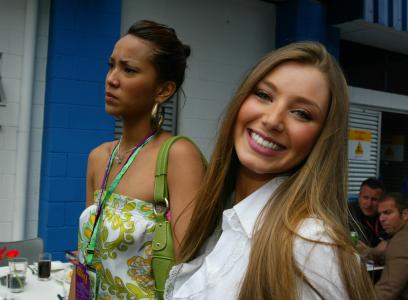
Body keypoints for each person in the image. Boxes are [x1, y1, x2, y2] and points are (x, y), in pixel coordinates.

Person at [164, 42, 375, 300]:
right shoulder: (221, 216)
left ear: (322, 138)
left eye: (301, 113)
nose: (272, 120)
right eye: (264, 95)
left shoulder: (310, 245)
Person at [68, 20, 205, 300]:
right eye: (111, 65)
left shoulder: (178, 156)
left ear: (163, 90)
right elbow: (85, 255)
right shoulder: (98, 157)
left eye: (128, 70)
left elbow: (188, 272)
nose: (112, 78)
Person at [349, 177, 389, 263]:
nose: (369, 204)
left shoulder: (388, 215)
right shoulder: (347, 213)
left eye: (374, 199)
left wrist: (369, 251)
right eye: (365, 197)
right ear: (359, 196)